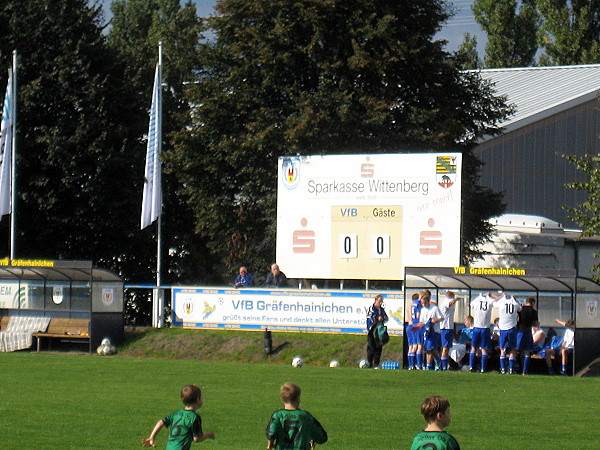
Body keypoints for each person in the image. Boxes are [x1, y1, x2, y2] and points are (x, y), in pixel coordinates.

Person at [143, 384, 215, 449]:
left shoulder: (176, 414)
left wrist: (152, 437)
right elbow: (197, 439)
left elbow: (161, 422)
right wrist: (208, 435)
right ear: (197, 399)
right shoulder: (194, 418)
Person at [266, 382, 328, 450]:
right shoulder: (306, 417)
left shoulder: (277, 416)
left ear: (282, 399)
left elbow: (270, 434)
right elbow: (322, 437)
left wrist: (270, 445)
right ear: (298, 399)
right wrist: (314, 439)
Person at [414, 290, 443, 371]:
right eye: (422, 303)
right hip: (426, 331)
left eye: (425, 303)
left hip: (434, 331)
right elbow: (422, 321)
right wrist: (417, 327)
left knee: (430, 348)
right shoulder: (423, 310)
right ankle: (433, 362)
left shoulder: (434, 308)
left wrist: (434, 321)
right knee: (428, 349)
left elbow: (441, 317)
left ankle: (432, 363)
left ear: (428, 301)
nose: (423, 304)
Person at [492, 293, 522, 374]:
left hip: (503, 329)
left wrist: (500, 296)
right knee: (513, 349)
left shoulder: (501, 302)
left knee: (503, 349)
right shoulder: (515, 303)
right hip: (512, 328)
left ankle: (503, 369)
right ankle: (511, 369)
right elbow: (520, 308)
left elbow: (493, 303)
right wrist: (514, 298)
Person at [469, 292, 495, 372]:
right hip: (485, 328)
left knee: (473, 348)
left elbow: (471, 305)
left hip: (477, 327)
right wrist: (492, 295)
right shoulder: (490, 300)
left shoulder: (476, 300)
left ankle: (471, 367)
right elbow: (497, 300)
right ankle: (483, 368)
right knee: (484, 349)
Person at [439, 291, 462, 371]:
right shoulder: (446, 302)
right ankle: (443, 367)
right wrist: (456, 299)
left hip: (449, 327)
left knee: (447, 348)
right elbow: (449, 303)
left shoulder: (450, 302)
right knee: (445, 348)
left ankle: (446, 365)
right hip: (445, 327)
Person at [516, 297, 539, 375]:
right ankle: (524, 371)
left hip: (520, 332)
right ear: (533, 303)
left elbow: (516, 318)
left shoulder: (521, 309)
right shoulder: (534, 312)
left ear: (526, 302)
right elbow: (535, 323)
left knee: (515, 350)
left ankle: (512, 368)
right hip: (528, 332)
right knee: (527, 352)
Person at [366, 294, 389, 368]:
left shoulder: (382, 310)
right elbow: (370, 317)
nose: (380, 303)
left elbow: (386, 318)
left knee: (379, 346)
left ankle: (376, 364)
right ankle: (369, 363)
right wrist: (376, 319)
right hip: (372, 329)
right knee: (371, 346)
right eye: (379, 301)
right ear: (376, 301)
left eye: (381, 301)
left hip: (379, 330)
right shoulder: (372, 308)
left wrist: (382, 318)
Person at [406, 293, 422, 370]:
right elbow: (418, 315)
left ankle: (410, 365)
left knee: (411, 346)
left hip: (409, 325)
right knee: (418, 345)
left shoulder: (410, 305)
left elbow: (409, 314)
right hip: (416, 324)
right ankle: (418, 365)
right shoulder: (418, 304)